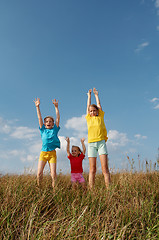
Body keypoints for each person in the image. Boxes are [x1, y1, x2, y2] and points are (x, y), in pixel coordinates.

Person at [86, 88, 110, 189]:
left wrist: (96, 95)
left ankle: (109, 190)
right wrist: (89, 96)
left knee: (105, 169)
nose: (92, 112)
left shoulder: (100, 116)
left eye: (94, 110)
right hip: (91, 144)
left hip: (101, 143)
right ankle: (91, 190)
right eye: (90, 111)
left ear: (97, 111)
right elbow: (88, 106)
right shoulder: (88, 118)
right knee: (92, 169)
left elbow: (99, 105)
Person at [34, 98, 60, 189]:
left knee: (53, 174)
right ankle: (39, 188)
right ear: (44, 123)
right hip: (43, 153)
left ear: (53, 123)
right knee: (39, 173)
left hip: (52, 154)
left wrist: (56, 107)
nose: (48, 122)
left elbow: (58, 118)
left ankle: (54, 190)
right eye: (47, 121)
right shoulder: (43, 130)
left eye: (50, 121)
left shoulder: (55, 129)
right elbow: (39, 117)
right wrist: (37, 107)